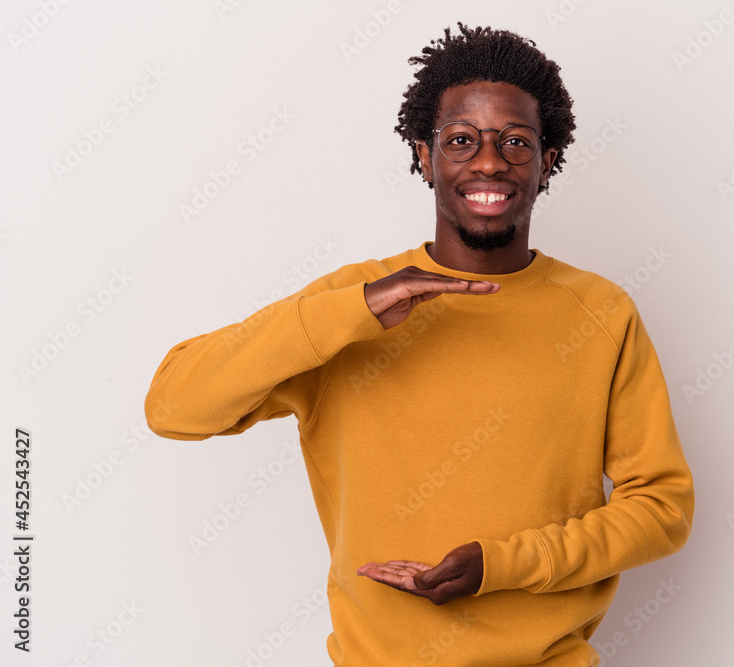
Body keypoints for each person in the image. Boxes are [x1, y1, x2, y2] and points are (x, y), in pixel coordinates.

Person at [145, 22, 694, 666]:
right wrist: (352, 311)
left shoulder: (600, 313)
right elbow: (173, 407)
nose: (488, 162)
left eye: (515, 142)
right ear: (426, 156)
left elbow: (661, 508)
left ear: (547, 162)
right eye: (461, 140)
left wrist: (503, 565)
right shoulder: (350, 305)